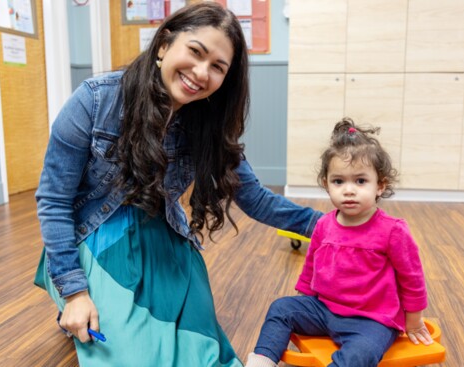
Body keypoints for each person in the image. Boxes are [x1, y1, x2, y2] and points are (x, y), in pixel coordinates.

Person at [33, 3, 322, 367]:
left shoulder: (209, 125)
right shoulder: (94, 100)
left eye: (218, 67)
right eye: (195, 52)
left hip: (162, 237)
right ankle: (73, 298)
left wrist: (330, 226)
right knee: (135, 359)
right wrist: (74, 292)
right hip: (96, 235)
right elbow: (54, 201)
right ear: (164, 46)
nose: (201, 73)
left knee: (201, 355)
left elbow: (256, 199)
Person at [245, 118, 433, 367]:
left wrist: (414, 319)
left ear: (380, 185)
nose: (348, 190)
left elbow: (412, 277)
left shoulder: (392, 230)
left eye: (360, 181)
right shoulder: (323, 224)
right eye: (338, 181)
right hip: (324, 310)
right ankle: (262, 361)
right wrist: (305, 300)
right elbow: (312, 264)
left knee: (361, 353)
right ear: (326, 184)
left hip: (372, 320)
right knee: (281, 309)